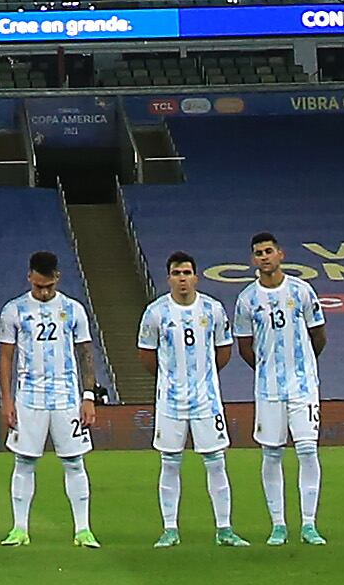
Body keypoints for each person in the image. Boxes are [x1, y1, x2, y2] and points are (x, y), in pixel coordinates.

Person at [0, 249, 107, 547]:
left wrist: (88, 396)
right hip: (29, 398)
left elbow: (86, 355)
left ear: (57, 278)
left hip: (66, 398)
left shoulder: (73, 309)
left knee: (74, 462)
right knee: (24, 462)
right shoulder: (14, 310)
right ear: (29, 277)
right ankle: (20, 529)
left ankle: (83, 529)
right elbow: (6, 358)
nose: (43, 292)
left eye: (49, 286)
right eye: (38, 286)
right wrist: (6, 400)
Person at [229, 229, 328, 546]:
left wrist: (304, 367)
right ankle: (278, 524)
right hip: (268, 389)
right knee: (271, 454)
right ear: (252, 259)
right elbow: (244, 346)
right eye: (258, 253)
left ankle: (309, 524)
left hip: (303, 386)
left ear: (280, 254)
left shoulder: (301, 291)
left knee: (307, 450)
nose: (264, 257)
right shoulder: (247, 299)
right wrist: (266, 370)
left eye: (269, 251)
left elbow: (318, 335)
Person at [135, 250, 238, 546]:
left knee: (216, 461)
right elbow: (146, 356)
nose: (182, 279)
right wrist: (171, 379)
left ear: (196, 276)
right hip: (170, 401)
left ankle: (224, 529)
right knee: (170, 462)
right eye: (177, 274)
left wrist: (203, 378)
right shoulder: (156, 313)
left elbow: (223, 351)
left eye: (187, 273)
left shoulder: (212, 309)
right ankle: (170, 529)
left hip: (206, 400)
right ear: (169, 278)